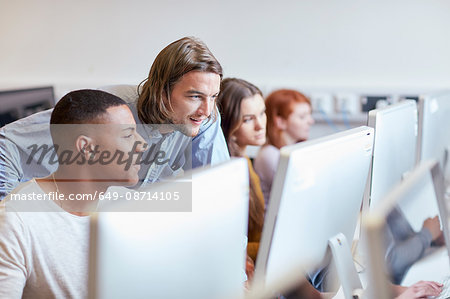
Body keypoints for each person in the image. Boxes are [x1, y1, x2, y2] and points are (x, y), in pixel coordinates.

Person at [0, 36, 229, 199]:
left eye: (214, 96)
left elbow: (217, 195)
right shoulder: (109, 109)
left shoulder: (204, 120)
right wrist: (13, 215)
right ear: (162, 91)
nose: (207, 110)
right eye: (195, 96)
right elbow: (5, 144)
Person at [0, 89, 147, 298]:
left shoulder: (126, 204)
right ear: (86, 148)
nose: (142, 144)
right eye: (127, 135)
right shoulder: (15, 220)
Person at [218, 78, 266, 263]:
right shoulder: (227, 173)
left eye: (262, 113)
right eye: (248, 119)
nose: (260, 125)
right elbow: (231, 248)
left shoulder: (244, 160)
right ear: (228, 124)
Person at [253, 89, 314, 207]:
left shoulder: (295, 150)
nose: (311, 121)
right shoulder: (269, 155)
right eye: (302, 117)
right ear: (280, 121)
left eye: (309, 115)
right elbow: (302, 196)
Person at [386, 207, 444, 284]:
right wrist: (427, 235)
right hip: (412, 278)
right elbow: (393, 264)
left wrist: (433, 240)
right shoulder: (372, 209)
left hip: (427, 263)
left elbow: (404, 241)